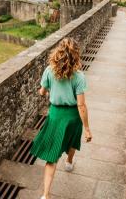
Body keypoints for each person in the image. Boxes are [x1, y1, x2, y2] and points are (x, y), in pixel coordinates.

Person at [30, 38, 92, 199]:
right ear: (75, 55)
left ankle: (45, 195)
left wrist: (50, 91)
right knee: (72, 140)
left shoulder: (49, 71)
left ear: (58, 52)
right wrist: (87, 128)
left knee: (52, 156)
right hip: (72, 116)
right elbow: (81, 106)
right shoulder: (79, 76)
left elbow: (42, 92)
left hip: (55, 115)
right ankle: (69, 163)